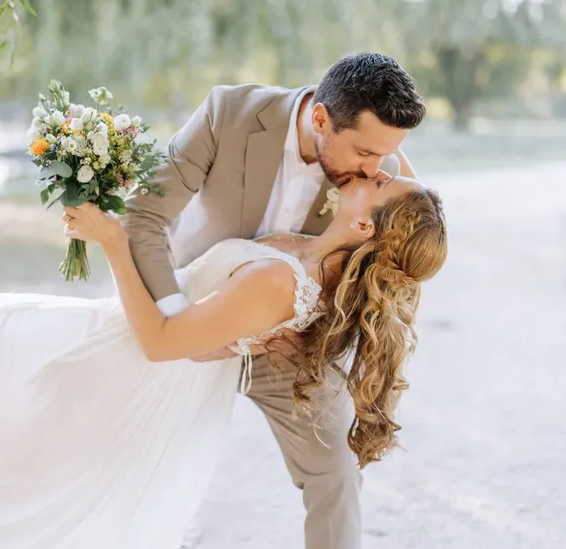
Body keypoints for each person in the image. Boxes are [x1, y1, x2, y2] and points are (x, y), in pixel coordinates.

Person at [0, 176, 447, 549]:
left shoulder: (282, 285)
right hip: (134, 344)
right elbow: (403, 218)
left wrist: (114, 242)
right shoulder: (327, 260)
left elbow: (162, 344)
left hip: (132, 359)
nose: (375, 166)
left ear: (369, 229)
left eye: (382, 179)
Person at [125, 51, 428, 549]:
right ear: (321, 118)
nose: (376, 169)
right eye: (365, 154)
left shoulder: (378, 168)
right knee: (135, 464)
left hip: (288, 343)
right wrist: (181, 322)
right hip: (189, 312)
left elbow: (403, 258)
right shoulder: (229, 113)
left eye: (385, 157)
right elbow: (144, 216)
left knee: (337, 471)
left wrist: (316, 324)